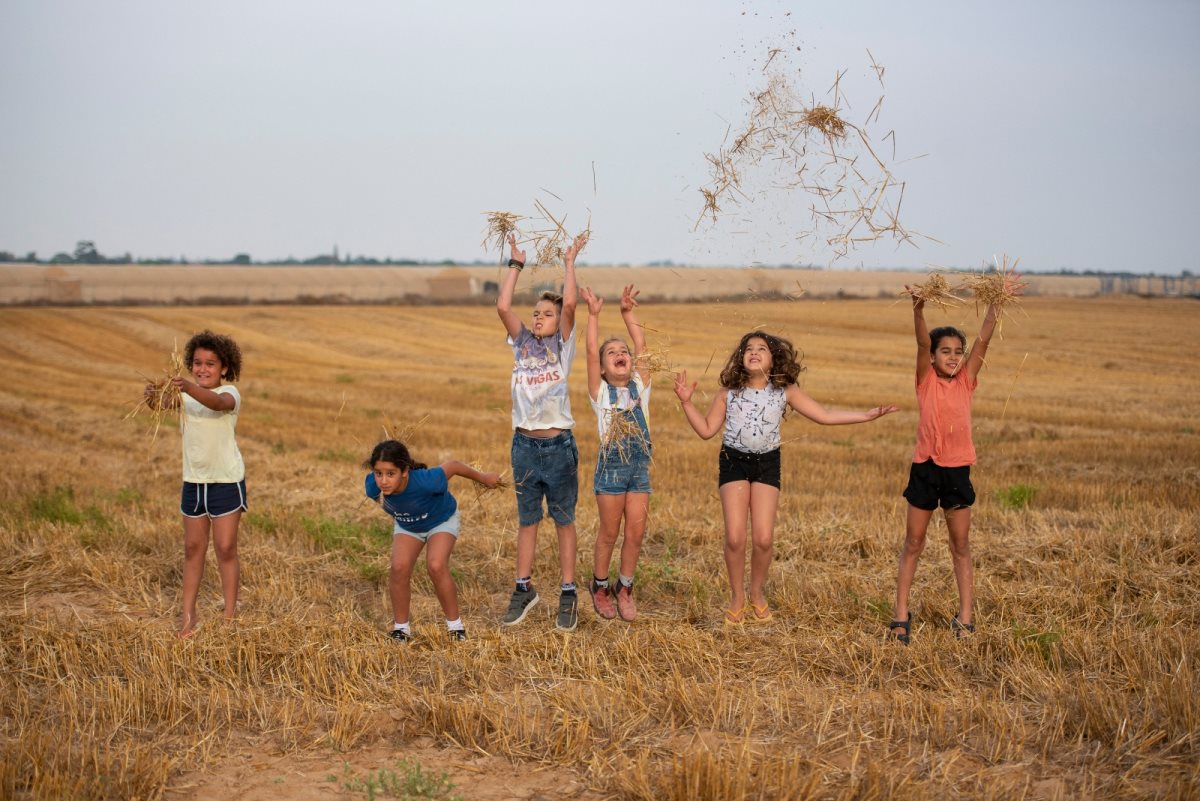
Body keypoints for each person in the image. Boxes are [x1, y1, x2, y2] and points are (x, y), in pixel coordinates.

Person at [674, 331, 897, 625]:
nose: (754, 352)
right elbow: (705, 430)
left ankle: (757, 594)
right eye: (748, 349)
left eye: (761, 349)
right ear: (740, 358)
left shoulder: (785, 391)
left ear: (773, 358)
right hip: (733, 463)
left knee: (764, 538)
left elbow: (825, 415)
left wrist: (865, 416)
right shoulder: (728, 393)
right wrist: (687, 403)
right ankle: (736, 598)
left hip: (767, 463)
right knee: (735, 537)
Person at [889, 282, 1019, 644]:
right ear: (931, 356)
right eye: (944, 351)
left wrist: (997, 304)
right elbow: (919, 342)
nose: (952, 356)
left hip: (957, 470)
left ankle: (965, 617)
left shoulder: (966, 381)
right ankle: (900, 614)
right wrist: (918, 310)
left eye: (957, 352)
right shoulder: (925, 380)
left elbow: (984, 341)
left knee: (960, 545)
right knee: (913, 542)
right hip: (925, 469)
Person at [496, 231, 587, 631]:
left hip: (558, 447)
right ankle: (524, 589)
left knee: (564, 520)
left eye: (545, 314)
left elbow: (569, 302)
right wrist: (515, 264)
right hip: (523, 446)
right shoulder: (521, 343)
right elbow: (502, 305)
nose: (538, 317)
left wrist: (569, 263)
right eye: (535, 312)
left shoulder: (562, 347)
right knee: (527, 520)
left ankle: (568, 592)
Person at [145, 330, 246, 638]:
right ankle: (188, 618)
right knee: (192, 548)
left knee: (225, 548)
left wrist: (187, 387)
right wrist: (152, 395)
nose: (203, 369)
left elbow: (216, 403)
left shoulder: (230, 394)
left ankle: (229, 619)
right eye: (197, 363)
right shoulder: (185, 398)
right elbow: (159, 406)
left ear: (224, 368)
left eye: (210, 364)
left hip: (226, 482)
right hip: (194, 482)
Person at [364, 439, 499, 642]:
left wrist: (483, 478)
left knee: (436, 565)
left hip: (441, 520)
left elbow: (453, 465)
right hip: (408, 525)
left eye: (390, 473)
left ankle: (456, 627)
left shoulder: (427, 480)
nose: (383, 480)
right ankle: (401, 629)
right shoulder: (372, 487)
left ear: (405, 471)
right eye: (378, 473)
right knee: (398, 567)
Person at [580, 284, 651, 622]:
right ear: (604, 367)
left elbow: (643, 346)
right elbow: (591, 350)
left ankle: (625, 587)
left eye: (623, 351)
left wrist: (628, 314)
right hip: (610, 471)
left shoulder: (640, 388)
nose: (621, 353)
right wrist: (593, 316)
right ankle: (599, 585)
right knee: (609, 533)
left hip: (639, 469)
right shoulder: (600, 394)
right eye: (613, 353)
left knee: (635, 532)